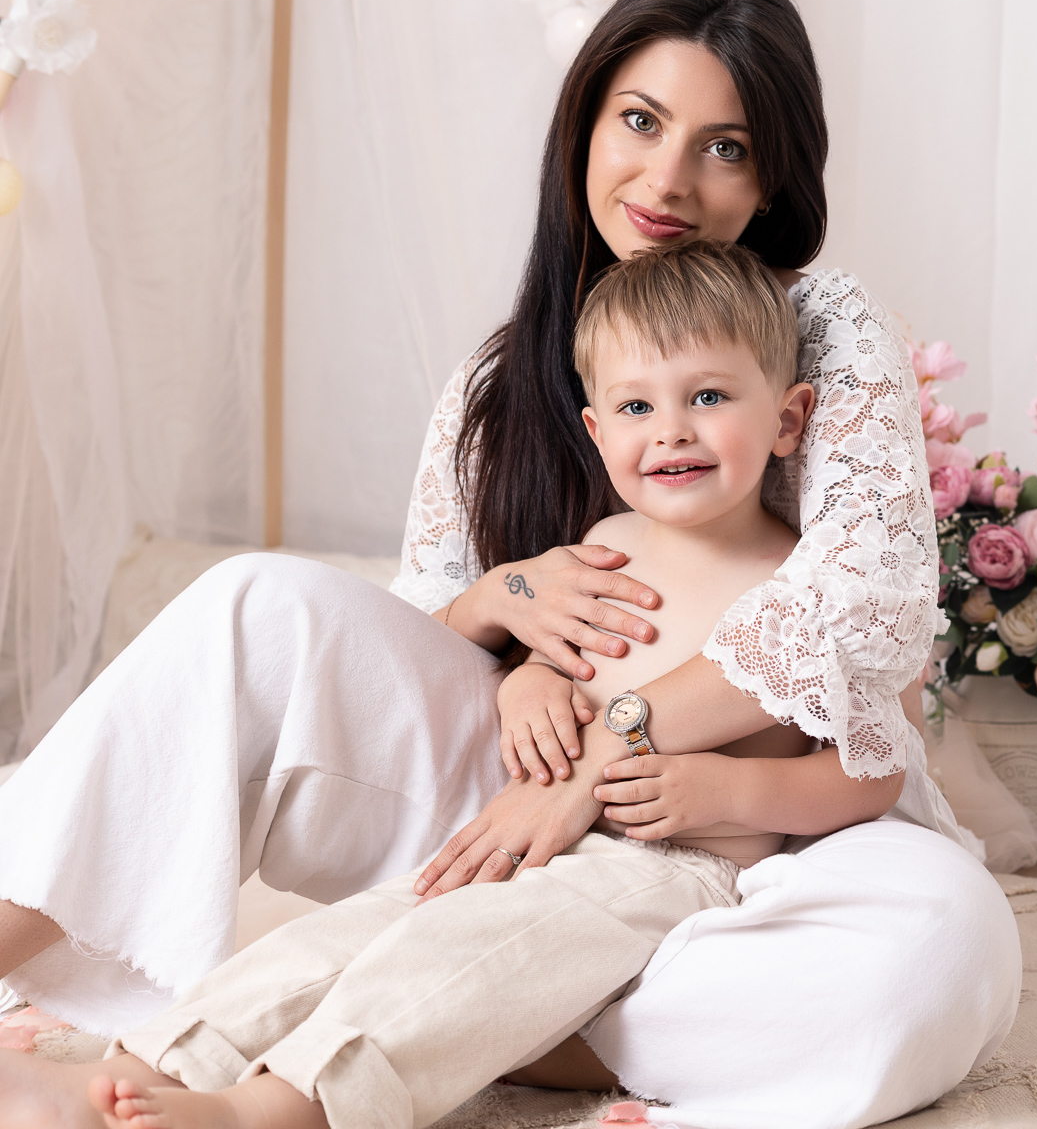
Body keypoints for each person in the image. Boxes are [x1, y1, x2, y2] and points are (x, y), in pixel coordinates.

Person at [0, 0, 1019, 1129]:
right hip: (500, 814)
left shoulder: (824, 331)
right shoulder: (502, 375)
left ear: (773, 176)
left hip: (747, 838)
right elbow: (408, 643)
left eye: (725, 146)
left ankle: (485, 1021)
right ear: (584, 122)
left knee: (946, 942)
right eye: (640, 121)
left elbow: (861, 618)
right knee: (255, 604)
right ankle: (130, 1003)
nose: (669, 178)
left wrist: (612, 761)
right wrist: (507, 611)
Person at [5, 241, 886, 1129]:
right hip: (521, 830)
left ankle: (276, 1110)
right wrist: (529, 683)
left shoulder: (802, 586)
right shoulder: (611, 545)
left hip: (665, 870)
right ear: (597, 432)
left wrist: (728, 789)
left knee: (454, 967)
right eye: (636, 405)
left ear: (788, 416)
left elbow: (871, 770)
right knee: (349, 938)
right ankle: (164, 1061)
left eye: (708, 396)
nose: (671, 429)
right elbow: (569, 658)